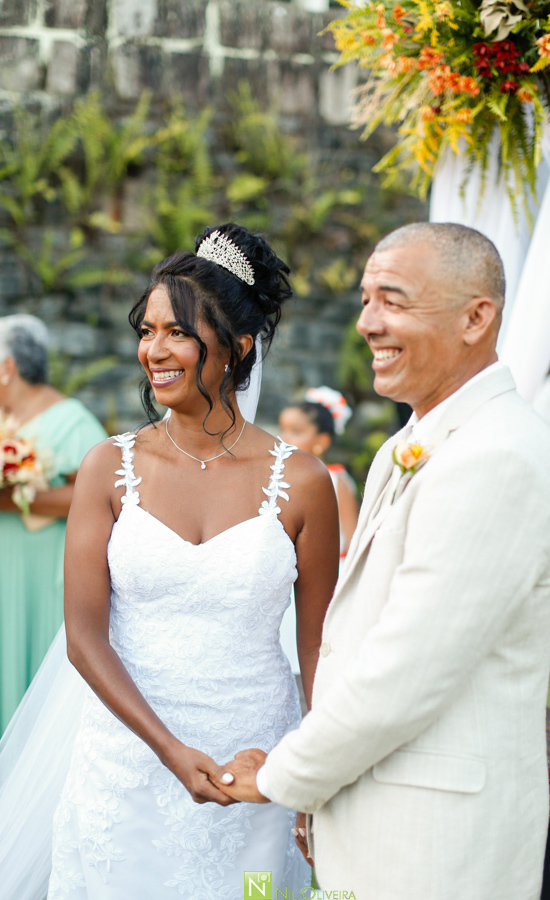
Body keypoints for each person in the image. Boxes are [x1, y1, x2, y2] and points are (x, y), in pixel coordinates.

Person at [210, 223, 550, 900]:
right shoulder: (411, 444)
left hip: (436, 848)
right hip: (379, 823)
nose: (365, 324)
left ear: (476, 317)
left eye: (393, 300)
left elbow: (407, 667)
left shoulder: (496, 457)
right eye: (365, 298)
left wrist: (282, 776)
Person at [20, 223, 336, 899]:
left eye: (178, 333)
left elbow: (320, 650)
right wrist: (167, 750)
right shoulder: (109, 467)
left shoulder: (305, 483)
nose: (153, 351)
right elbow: (83, 636)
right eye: (148, 330)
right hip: (125, 761)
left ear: (240, 347)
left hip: (255, 762)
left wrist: (316, 774)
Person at [0, 314, 106, 732]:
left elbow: (95, 497)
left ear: (7, 367)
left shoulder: (73, 421)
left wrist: (16, 500)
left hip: (40, 573)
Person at [279, 387, 359, 560]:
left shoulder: (336, 480)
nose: (284, 439)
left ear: (322, 441)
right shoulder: (279, 478)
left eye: (296, 432)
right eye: (283, 430)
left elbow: (353, 538)